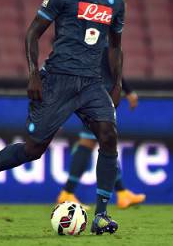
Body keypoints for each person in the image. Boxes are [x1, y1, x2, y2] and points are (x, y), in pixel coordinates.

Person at [0, 0, 124, 235]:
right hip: (58, 80)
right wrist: (33, 74)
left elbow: (115, 47)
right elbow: (32, 33)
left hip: (91, 84)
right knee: (33, 149)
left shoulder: (115, 2)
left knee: (109, 136)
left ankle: (101, 215)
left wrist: (118, 83)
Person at [57, 76, 145, 209]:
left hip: (95, 91)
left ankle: (122, 192)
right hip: (96, 93)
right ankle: (67, 192)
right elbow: (113, 65)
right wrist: (128, 91)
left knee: (98, 142)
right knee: (96, 142)